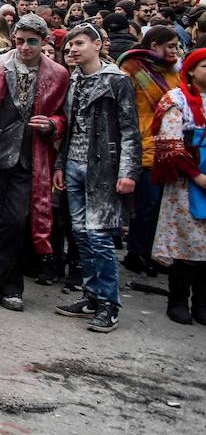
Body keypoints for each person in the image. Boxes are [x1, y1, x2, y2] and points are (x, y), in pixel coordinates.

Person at [0, 15, 69, 311]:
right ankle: (9, 288)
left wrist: (52, 125)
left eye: (32, 41)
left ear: (44, 42)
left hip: (30, 157)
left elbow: (62, 116)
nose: (25, 47)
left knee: (16, 220)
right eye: (20, 41)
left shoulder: (57, 74)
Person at [53, 23, 141, 333]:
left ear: (97, 44)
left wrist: (128, 171)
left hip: (104, 170)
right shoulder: (74, 81)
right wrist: (61, 165)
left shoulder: (117, 81)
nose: (73, 50)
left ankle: (109, 303)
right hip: (75, 165)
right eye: (69, 47)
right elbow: (70, 127)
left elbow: (130, 129)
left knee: (100, 237)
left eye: (78, 44)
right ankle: (91, 295)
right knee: (80, 234)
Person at [147, 47, 206, 324]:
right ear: (192, 70)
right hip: (186, 182)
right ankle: (178, 298)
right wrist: (198, 176)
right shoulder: (176, 99)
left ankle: (203, 301)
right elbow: (169, 143)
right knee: (185, 242)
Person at [118, 25, 182, 276]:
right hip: (145, 143)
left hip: (172, 144)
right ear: (155, 45)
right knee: (147, 204)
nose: (175, 51)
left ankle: (157, 252)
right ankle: (137, 252)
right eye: (170, 46)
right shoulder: (133, 69)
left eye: (177, 46)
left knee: (163, 205)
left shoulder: (176, 72)